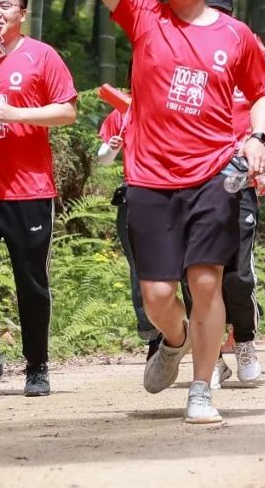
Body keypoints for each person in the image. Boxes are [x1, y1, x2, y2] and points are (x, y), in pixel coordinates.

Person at [81, 0, 265, 424]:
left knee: (207, 282)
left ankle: (201, 389)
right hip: (149, 178)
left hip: (214, 175)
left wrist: (258, 137)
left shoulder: (236, 35)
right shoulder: (144, 14)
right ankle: (175, 340)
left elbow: (264, 91)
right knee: (157, 295)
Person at [0, 0, 78, 397]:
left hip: (29, 189)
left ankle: (37, 364)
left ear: (22, 14)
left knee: (31, 283)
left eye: (5, 6)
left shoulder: (41, 56)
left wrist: (16, 114)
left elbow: (67, 111)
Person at [203, 0, 265, 389]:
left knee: (237, 275)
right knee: (199, 274)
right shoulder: (182, 54)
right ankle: (210, 359)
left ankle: (244, 341)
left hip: (237, 177)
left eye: (221, 13)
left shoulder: (247, 55)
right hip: (193, 178)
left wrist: (263, 159)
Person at [97, 103, 161, 357]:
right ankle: (153, 335)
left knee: (186, 268)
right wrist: (112, 148)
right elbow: (103, 159)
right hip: (134, 195)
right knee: (139, 268)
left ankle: (195, 331)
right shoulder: (121, 112)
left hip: (176, 191)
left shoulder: (173, 102)